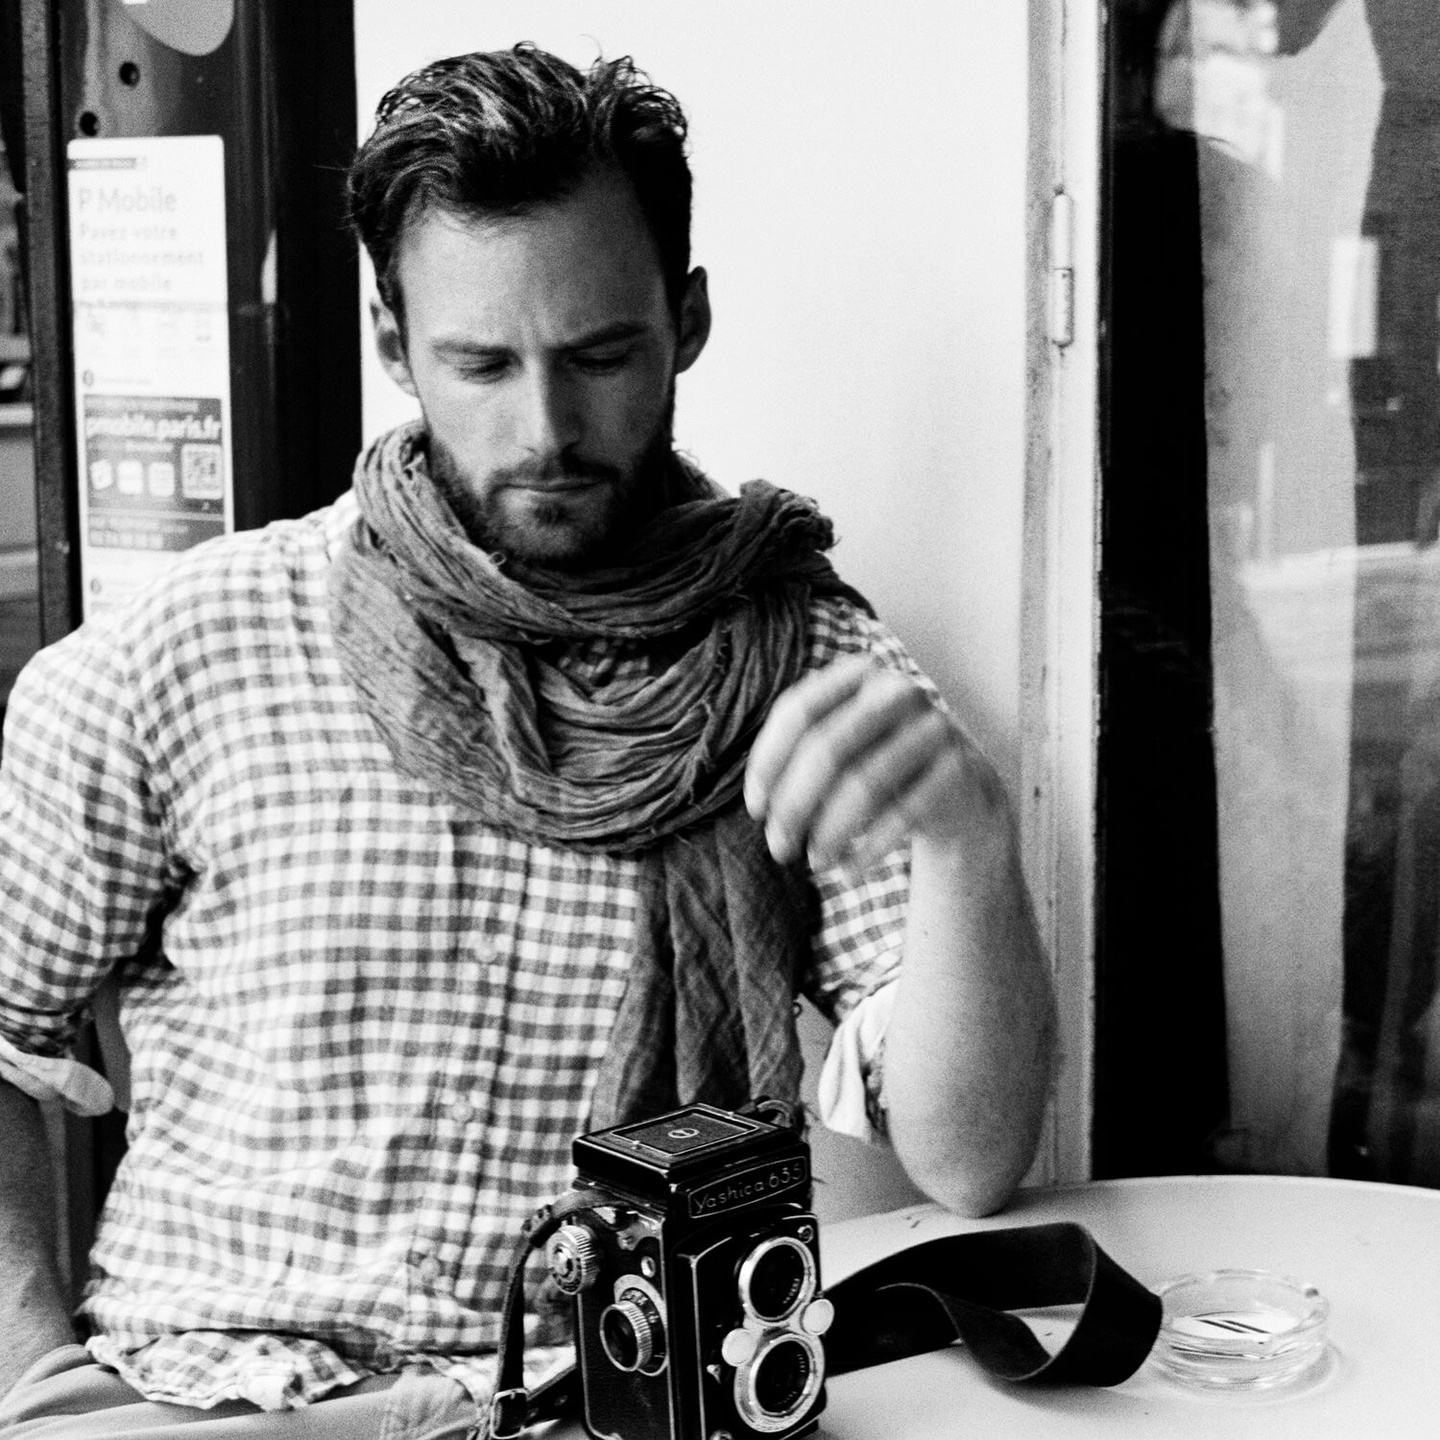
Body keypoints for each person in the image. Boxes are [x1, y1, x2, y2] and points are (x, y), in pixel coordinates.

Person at [0, 44, 1055, 1438]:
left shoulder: (799, 667)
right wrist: (28, 1377)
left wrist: (970, 842)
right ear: (394, 347)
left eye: (600, 355)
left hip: (609, 1396)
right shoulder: (189, 649)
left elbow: (969, 1164)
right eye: (481, 364)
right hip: (207, 1390)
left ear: (686, 321)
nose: (546, 428)